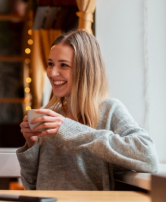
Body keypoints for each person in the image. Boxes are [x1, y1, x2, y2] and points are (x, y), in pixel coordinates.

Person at [17, 29, 159, 190]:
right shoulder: (50, 116)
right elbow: (31, 186)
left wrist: (68, 129)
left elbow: (148, 157)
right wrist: (31, 144)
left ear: (85, 70)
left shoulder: (109, 110)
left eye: (64, 65)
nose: (52, 72)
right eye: (50, 64)